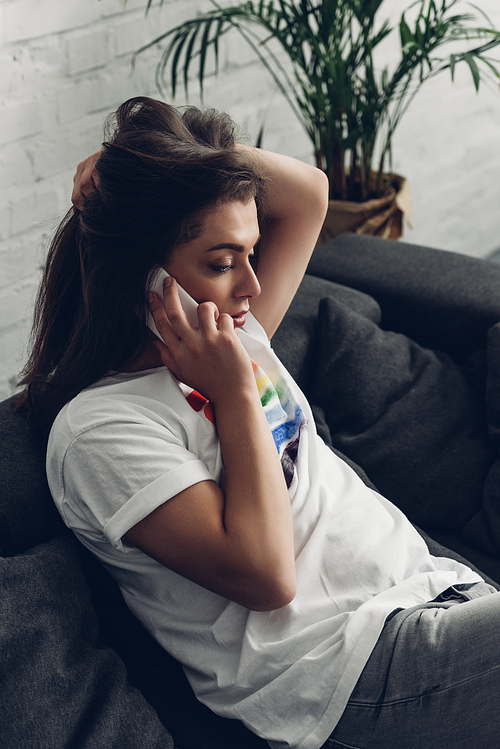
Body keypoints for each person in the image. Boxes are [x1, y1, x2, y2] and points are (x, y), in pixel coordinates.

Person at [18, 96, 500, 749]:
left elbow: (308, 196)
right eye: (221, 262)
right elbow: (267, 575)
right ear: (143, 277)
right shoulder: (101, 429)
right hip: (349, 675)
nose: (250, 286)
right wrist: (236, 394)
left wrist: (154, 167)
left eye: (251, 253)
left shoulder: (235, 333)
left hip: (433, 593)